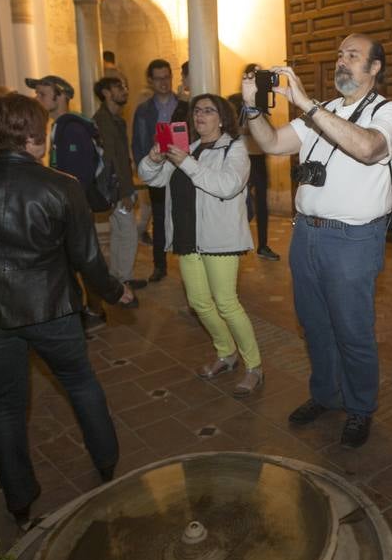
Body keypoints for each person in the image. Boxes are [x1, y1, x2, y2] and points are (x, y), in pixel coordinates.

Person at [0, 94, 132, 524]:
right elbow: (87, 259)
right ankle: (107, 464)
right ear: (31, 134)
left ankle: (18, 498)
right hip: (52, 310)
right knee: (81, 385)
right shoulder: (61, 185)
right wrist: (116, 291)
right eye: (44, 127)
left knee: (5, 405)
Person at [239, 34, 392, 449]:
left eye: (353, 56)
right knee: (314, 326)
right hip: (306, 233)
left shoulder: (388, 112)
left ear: (375, 68)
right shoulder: (324, 110)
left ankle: (361, 407)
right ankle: (326, 396)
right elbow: (274, 145)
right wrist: (252, 106)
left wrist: (306, 104)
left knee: (352, 330)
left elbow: (368, 149)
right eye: (340, 55)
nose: (342, 62)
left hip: (353, 239)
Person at [139, 94, 264, 396]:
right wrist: (154, 159)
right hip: (186, 236)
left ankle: (254, 366)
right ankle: (226, 353)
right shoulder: (188, 148)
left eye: (208, 111)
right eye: (197, 111)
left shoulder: (234, 149)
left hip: (219, 238)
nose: (200, 116)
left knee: (226, 302)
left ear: (222, 118)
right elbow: (150, 179)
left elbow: (228, 185)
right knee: (198, 303)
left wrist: (188, 164)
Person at [26, 74, 108, 330]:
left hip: (72, 208)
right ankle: (89, 310)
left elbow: (77, 177)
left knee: (82, 261)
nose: (37, 98)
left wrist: (66, 209)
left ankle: (94, 312)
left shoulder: (71, 129)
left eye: (42, 93)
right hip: (67, 206)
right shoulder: (59, 125)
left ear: (61, 95)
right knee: (78, 262)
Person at [131, 59, 189, 283]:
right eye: (158, 78)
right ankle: (159, 265)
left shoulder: (183, 106)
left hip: (181, 168)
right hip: (156, 169)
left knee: (184, 216)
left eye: (167, 77)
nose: (164, 82)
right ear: (150, 81)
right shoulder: (143, 110)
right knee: (158, 217)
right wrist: (143, 166)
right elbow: (137, 142)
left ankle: (188, 264)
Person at [93, 76, 146, 299]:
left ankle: (117, 274)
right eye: (118, 87)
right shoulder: (103, 121)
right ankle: (123, 278)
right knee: (129, 234)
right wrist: (125, 191)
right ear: (106, 93)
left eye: (124, 86)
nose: (125, 90)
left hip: (116, 187)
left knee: (118, 233)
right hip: (114, 189)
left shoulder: (115, 119)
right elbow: (111, 160)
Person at [238, 64, 280, 261]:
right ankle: (235, 242)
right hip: (243, 157)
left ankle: (263, 245)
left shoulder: (263, 100)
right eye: (255, 73)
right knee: (244, 204)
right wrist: (251, 126)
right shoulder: (238, 100)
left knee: (262, 204)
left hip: (259, 157)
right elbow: (236, 129)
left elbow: (268, 130)